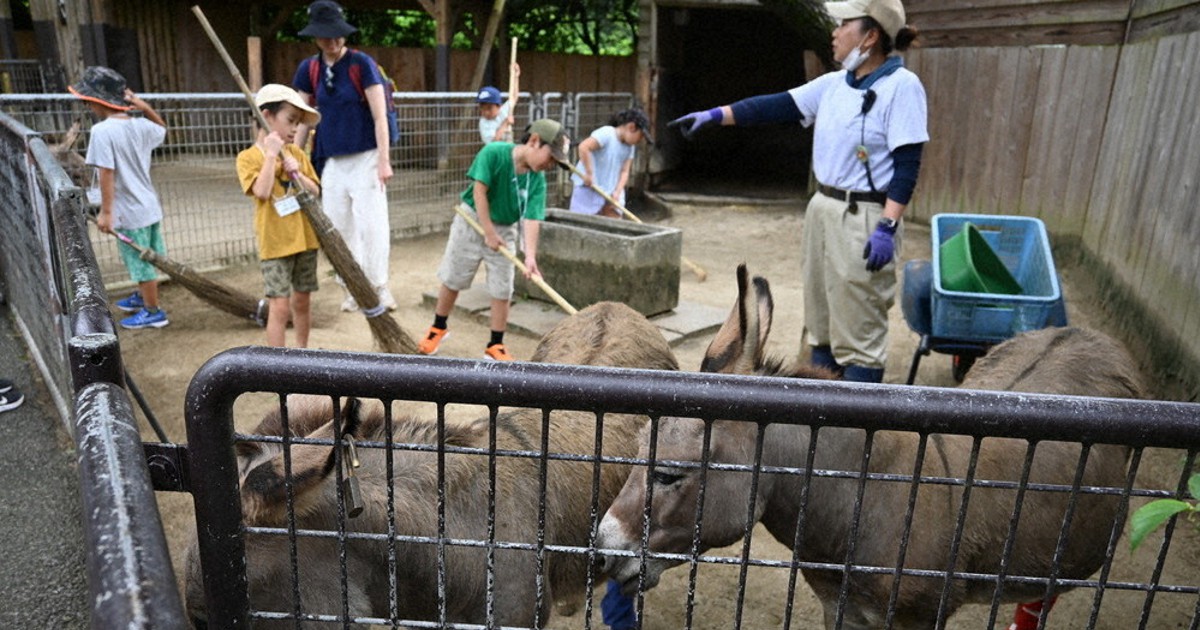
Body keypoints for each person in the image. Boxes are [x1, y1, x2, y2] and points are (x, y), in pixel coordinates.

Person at [669, 0, 927, 384]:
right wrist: (715, 115)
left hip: (865, 217)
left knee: (859, 327)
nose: (835, 33)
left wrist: (888, 227)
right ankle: (821, 417)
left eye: (843, 25)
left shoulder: (902, 87)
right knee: (820, 318)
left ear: (870, 36)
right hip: (822, 208)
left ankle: (857, 425)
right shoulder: (835, 85)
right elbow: (775, 106)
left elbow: (907, 164)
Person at [418, 119, 569, 361]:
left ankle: (495, 344)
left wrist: (530, 257)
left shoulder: (536, 179)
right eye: (551, 157)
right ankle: (438, 327)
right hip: (473, 220)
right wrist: (488, 231)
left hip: (505, 228)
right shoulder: (494, 152)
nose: (551, 165)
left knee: (503, 287)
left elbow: (532, 218)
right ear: (534, 141)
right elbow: (479, 191)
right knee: (454, 276)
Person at [292, 0, 396, 313]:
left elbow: (380, 117)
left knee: (372, 224)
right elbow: (301, 118)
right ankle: (352, 286)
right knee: (338, 227)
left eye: (338, 35)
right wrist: (295, 159)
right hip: (331, 161)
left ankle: (379, 286)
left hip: (366, 157)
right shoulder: (308, 69)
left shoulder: (361, 64)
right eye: (326, 36)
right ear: (315, 37)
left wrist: (384, 160)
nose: (334, 41)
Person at [69, 66, 171, 330]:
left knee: (141, 263)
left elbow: (106, 173)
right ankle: (144, 295)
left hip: (128, 211)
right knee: (147, 257)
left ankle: (153, 310)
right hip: (148, 206)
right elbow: (162, 128)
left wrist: (106, 212)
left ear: (96, 100)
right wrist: (143, 106)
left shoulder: (103, 132)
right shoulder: (141, 124)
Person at [237, 84, 323, 348]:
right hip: (274, 245)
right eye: (291, 120)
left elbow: (316, 191)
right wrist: (272, 155)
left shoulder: (296, 153)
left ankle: (303, 354)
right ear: (267, 116)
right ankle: (279, 366)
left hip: (305, 240)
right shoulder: (248, 157)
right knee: (280, 306)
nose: (296, 129)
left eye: (298, 123)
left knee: (302, 301)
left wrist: (298, 172)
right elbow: (261, 192)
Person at [569, 108, 653, 218]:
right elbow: (584, 147)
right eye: (641, 136)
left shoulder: (630, 147)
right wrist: (589, 173)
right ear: (631, 127)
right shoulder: (607, 134)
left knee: (614, 221)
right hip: (589, 186)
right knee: (582, 222)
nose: (640, 140)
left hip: (611, 190)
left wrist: (618, 191)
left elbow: (624, 171)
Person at [477, 62, 521, 144]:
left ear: (499, 106)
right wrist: (505, 124)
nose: (486, 112)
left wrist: (515, 76)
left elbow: (514, 96)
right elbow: (494, 143)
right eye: (483, 109)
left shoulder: (503, 111)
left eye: (489, 108)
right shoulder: (484, 123)